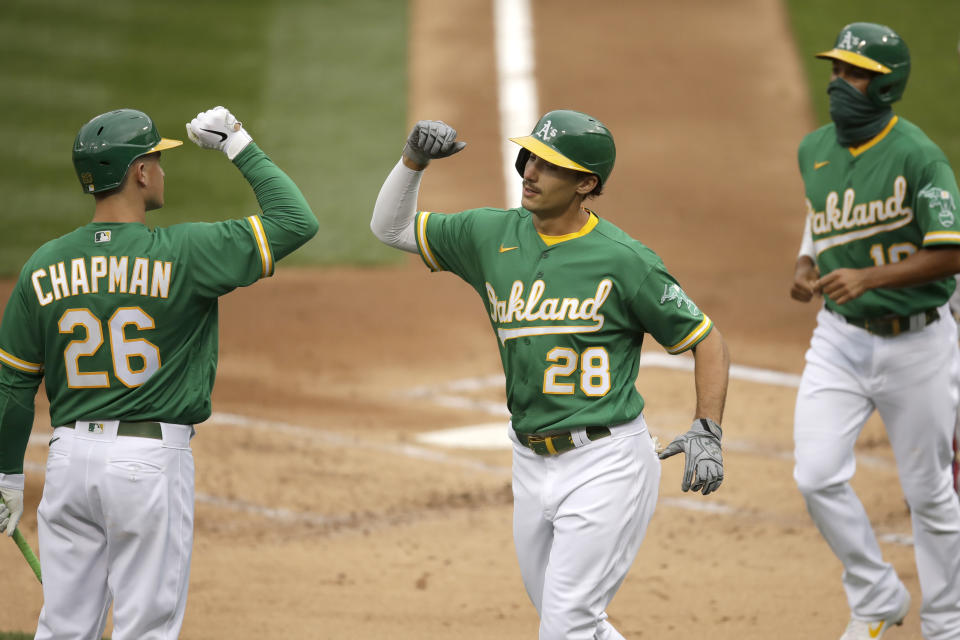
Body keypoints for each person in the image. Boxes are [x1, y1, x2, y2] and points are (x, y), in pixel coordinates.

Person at [371, 111, 730, 639]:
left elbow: (706, 340)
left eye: (550, 165)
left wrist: (708, 428)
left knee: (565, 627)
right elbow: (391, 227)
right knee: (573, 622)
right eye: (529, 158)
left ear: (587, 183)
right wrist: (414, 161)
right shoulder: (490, 234)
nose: (531, 173)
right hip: (530, 461)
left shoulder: (625, 260)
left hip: (606, 463)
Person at [0, 106, 318, 639]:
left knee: (63, 627)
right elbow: (295, 220)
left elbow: (12, 388)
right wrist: (237, 143)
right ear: (139, 173)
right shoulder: (184, 254)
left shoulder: (42, 265)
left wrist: (7, 476)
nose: (162, 169)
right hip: (146, 466)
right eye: (156, 159)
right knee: (146, 629)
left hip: (68, 464)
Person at [789, 22, 960, 640]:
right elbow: (822, 218)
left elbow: (951, 251)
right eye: (835, 71)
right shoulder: (814, 149)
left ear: (885, 86)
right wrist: (808, 263)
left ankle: (946, 624)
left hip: (918, 344)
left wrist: (867, 278)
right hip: (839, 340)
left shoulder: (919, 156)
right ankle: (876, 592)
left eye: (854, 73)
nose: (839, 84)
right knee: (814, 474)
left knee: (929, 494)